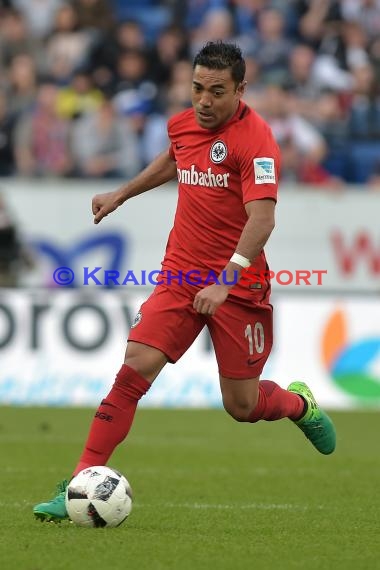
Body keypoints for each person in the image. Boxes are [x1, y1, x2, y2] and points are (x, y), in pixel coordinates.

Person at [33, 41, 336, 522]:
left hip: (238, 284)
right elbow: (176, 158)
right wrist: (122, 193)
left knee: (241, 404)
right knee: (136, 366)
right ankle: (78, 482)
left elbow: (262, 220)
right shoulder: (184, 124)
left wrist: (224, 280)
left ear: (240, 89)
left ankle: (300, 406)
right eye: (197, 88)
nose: (204, 101)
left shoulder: (257, 142)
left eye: (217, 91)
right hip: (180, 273)